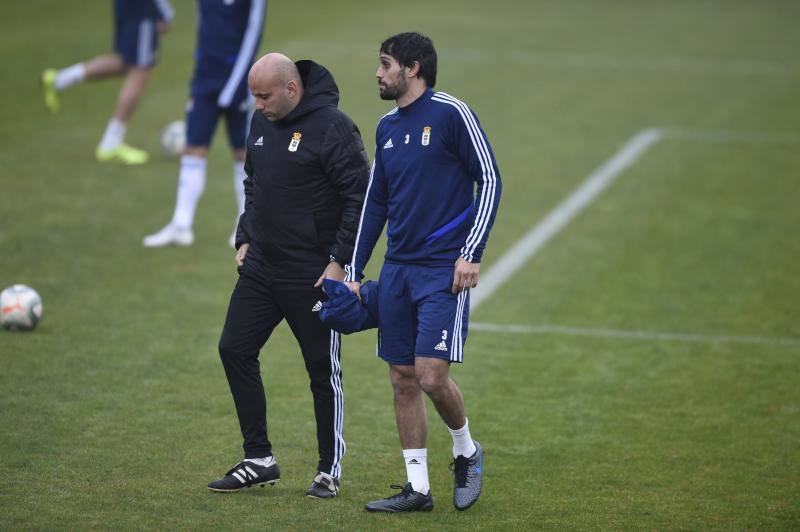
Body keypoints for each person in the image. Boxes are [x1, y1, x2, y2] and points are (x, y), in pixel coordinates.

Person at [345, 32, 502, 512]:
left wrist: (471, 252)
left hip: (442, 269)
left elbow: (490, 179)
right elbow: (376, 204)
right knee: (401, 377)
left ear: (412, 69)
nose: (377, 72)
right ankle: (417, 489)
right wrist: (354, 270)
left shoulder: (452, 113)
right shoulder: (387, 127)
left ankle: (467, 451)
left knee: (432, 377)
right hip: (398, 271)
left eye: (385, 64)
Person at [208, 53, 369, 499]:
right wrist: (245, 236)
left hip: (314, 273)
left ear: (291, 89)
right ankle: (259, 458)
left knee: (322, 369)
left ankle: (328, 469)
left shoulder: (335, 127)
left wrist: (339, 261)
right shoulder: (262, 123)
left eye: (264, 96)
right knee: (233, 348)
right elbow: (253, 183)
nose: (257, 105)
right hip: (262, 266)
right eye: (253, 96)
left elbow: (360, 195)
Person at [143, 0, 266, 248]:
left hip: (238, 81)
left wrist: (237, 83)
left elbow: (254, 32)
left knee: (242, 154)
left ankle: (243, 226)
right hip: (204, 80)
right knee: (193, 148)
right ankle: (181, 225)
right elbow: (204, 25)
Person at [41, 0, 175, 165]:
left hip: (127, 6)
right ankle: (111, 143)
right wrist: (164, 13)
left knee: (127, 62)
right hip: (144, 7)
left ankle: (60, 80)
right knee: (141, 70)